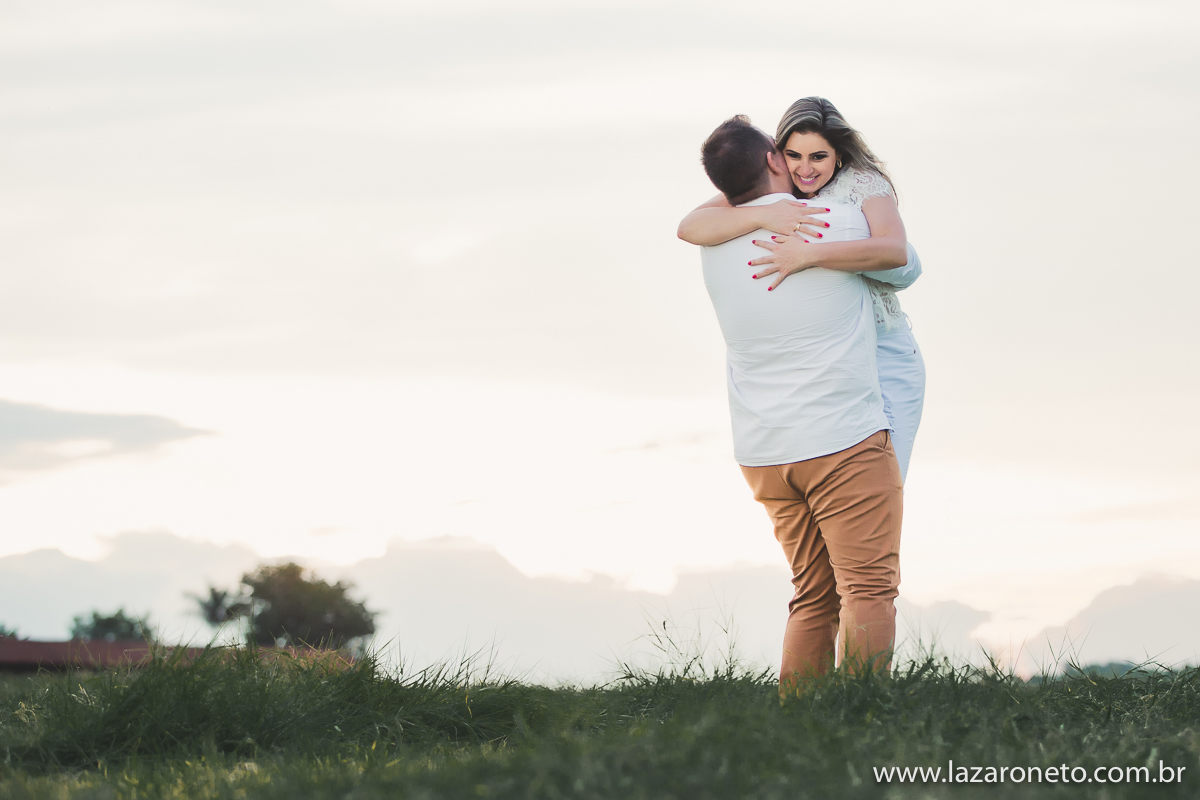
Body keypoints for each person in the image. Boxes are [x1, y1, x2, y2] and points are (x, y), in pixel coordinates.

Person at [682, 114, 904, 691]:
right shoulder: (836, 219)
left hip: (763, 453)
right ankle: (862, 723)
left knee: (813, 593)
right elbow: (903, 261)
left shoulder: (713, 239)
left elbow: (700, 216)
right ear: (778, 161)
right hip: (840, 442)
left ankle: (800, 729)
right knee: (867, 590)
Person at [678, 97, 925, 483]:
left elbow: (895, 251)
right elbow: (690, 227)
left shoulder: (863, 184)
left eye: (818, 157)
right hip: (837, 357)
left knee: (886, 481)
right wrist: (761, 213)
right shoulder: (780, 187)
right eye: (793, 155)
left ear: (838, 155)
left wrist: (810, 255)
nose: (805, 170)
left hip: (885, 353)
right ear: (776, 156)